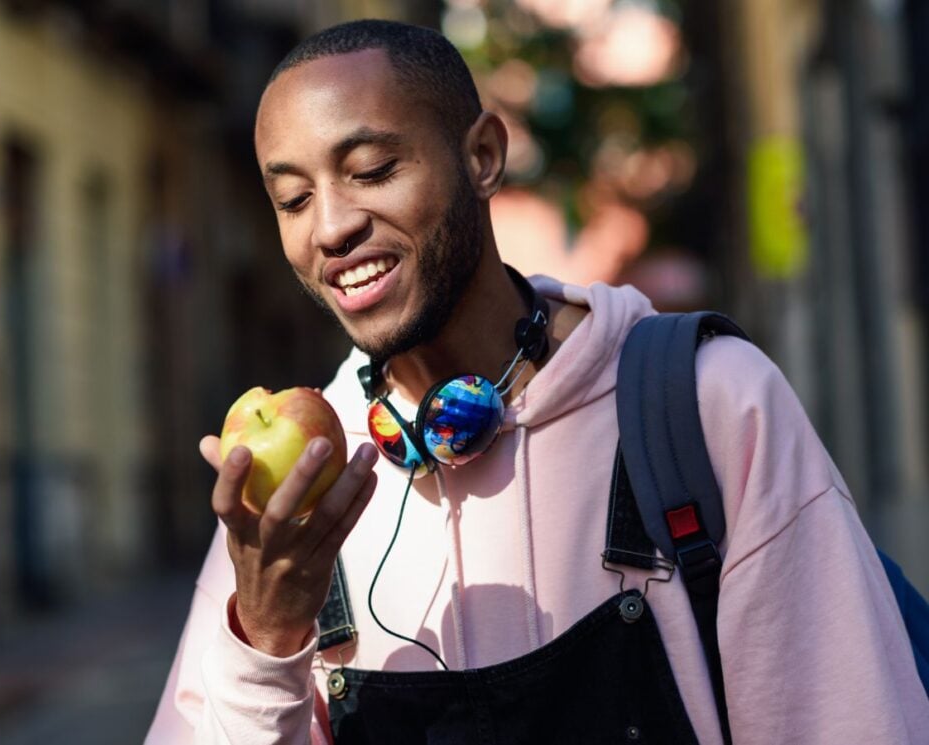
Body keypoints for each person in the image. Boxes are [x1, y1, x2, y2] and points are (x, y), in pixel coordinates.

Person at [146, 19, 929, 744]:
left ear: (482, 155)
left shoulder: (706, 404)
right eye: (293, 197)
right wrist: (267, 638)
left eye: (372, 170)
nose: (330, 226)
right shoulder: (298, 495)